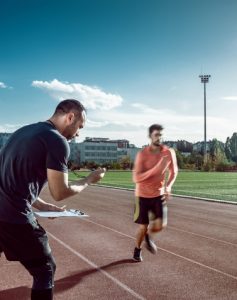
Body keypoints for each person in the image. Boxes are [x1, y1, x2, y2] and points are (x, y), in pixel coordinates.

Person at [0, 99, 106, 300]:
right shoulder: (57, 141)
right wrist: (89, 180)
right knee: (45, 270)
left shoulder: (21, 132)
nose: (78, 133)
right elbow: (60, 192)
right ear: (70, 117)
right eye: (79, 127)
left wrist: (41, 204)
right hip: (14, 217)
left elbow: (10, 180)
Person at [132, 124, 178, 262]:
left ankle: (149, 236)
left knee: (160, 225)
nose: (160, 137)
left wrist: (168, 186)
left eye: (161, 134)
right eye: (157, 134)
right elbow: (136, 178)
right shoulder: (142, 154)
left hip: (158, 194)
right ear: (150, 136)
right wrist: (157, 167)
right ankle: (137, 249)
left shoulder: (169, 152)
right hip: (142, 196)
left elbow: (174, 171)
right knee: (143, 227)